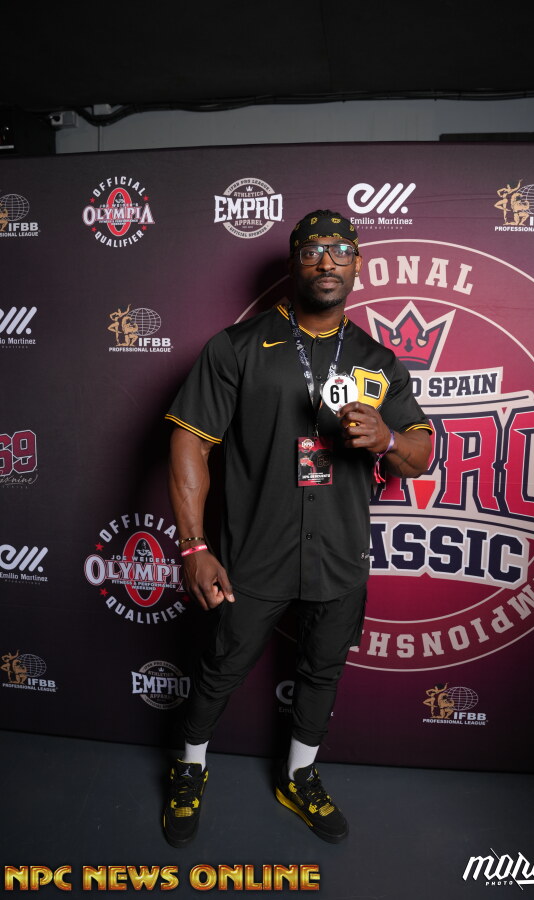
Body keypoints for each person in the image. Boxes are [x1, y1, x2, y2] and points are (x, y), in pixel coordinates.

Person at [162, 210, 432, 848]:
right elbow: (189, 442)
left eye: (340, 250)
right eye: (312, 250)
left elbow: (420, 453)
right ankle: (189, 766)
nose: (326, 261)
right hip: (255, 552)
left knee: (322, 671)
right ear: (293, 263)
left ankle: (298, 777)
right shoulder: (238, 346)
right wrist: (194, 545)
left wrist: (387, 439)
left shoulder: (376, 359)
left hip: (339, 554)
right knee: (220, 666)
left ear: (357, 264)